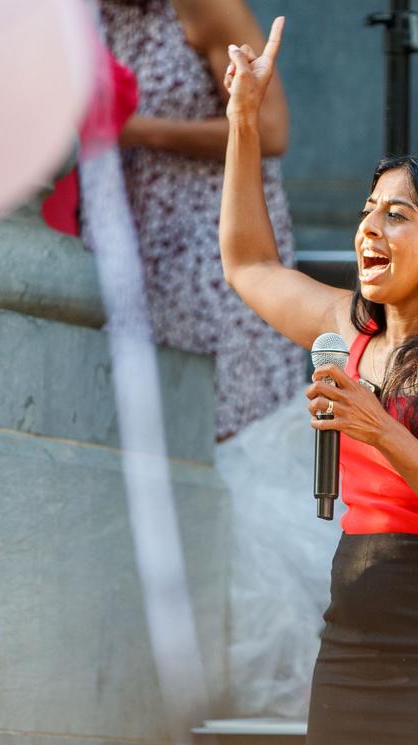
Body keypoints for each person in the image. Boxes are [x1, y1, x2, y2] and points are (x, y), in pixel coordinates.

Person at [220, 19, 418, 745]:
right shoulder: (347, 327)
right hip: (355, 639)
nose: (371, 224)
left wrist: (381, 430)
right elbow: (246, 263)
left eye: (397, 214)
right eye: (368, 209)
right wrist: (241, 122)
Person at [100, 0, 302, 441]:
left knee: (236, 427)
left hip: (217, 244)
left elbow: (271, 128)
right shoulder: (82, 16)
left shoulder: (201, 5)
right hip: (136, 247)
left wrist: (137, 131)